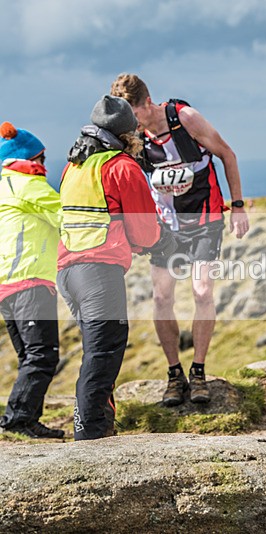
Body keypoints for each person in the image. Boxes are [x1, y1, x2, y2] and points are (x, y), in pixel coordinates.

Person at [110, 74, 250, 406]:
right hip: (166, 227)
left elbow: (227, 154)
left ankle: (198, 370)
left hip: (204, 219)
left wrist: (238, 206)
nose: (130, 122)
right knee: (162, 297)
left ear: (147, 102)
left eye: (133, 114)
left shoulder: (185, 118)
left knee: (202, 291)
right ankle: (175, 374)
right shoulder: (133, 135)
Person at [58, 95, 170, 440]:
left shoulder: (75, 166)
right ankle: (90, 435)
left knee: (97, 351)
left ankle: (96, 428)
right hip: (98, 272)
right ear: (127, 133)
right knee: (104, 352)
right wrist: (159, 241)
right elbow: (145, 230)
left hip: (68, 271)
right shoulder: (121, 166)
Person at [0, 122, 64, 439]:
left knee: (29, 356)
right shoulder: (29, 186)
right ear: (31, 158)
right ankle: (17, 419)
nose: (44, 164)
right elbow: (68, 217)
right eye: (42, 157)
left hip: (7, 285)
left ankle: (27, 420)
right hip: (30, 280)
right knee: (42, 355)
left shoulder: (4, 186)